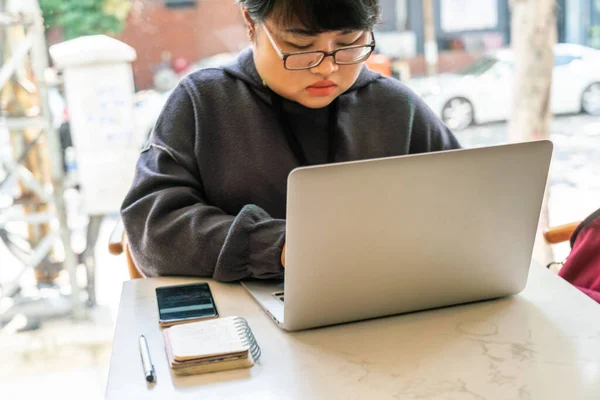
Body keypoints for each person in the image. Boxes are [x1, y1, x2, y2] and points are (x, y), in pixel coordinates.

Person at [120, 0, 461, 281]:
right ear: (250, 22)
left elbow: (468, 201)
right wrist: (277, 247)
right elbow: (151, 227)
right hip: (243, 320)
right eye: (300, 47)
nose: (326, 68)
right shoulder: (203, 102)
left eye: (348, 44)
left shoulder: (394, 106)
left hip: (385, 304)